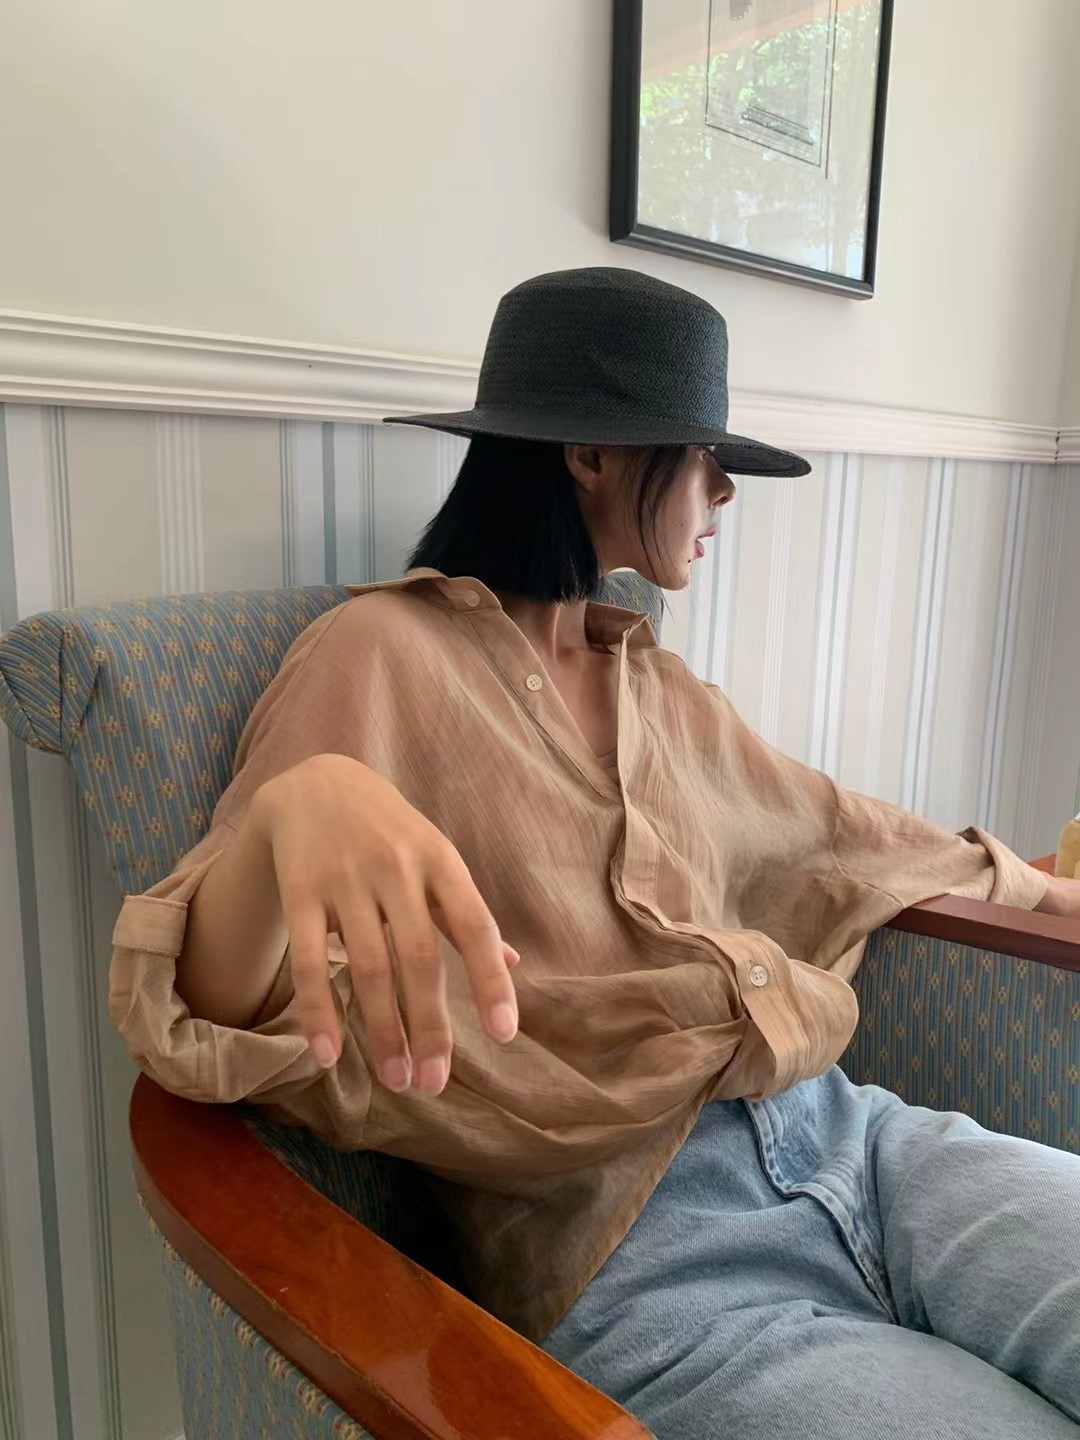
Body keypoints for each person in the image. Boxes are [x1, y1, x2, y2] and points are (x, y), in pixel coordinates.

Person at [110, 267, 1080, 1439]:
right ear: (590, 455)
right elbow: (201, 1013)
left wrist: (1048, 892)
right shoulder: (377, 653)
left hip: (856, 1139)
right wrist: (288, 813)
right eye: (703, 455)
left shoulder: (652, 683)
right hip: (646, 1272)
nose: (725, 488)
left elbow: (841, 832)